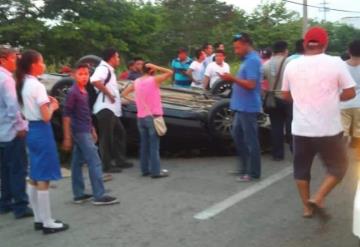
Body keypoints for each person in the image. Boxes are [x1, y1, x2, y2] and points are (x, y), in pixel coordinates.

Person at [282, 27, 356, 219]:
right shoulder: (335, 63)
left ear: (305, 43)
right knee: (339, 167)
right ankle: (318, 196)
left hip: (300, 129)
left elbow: (285, 95)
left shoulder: (292, 65)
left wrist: (302, 100)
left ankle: (307, 208)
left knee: (301, 168)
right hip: (328, 129)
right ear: (326, 43)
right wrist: (333, 98)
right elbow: (350, 92)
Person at [16, 50, 69, 234]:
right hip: (41, 130)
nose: (44, 65)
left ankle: (39, 218)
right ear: (34, 65)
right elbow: (46, 116)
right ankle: (47, 221)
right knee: (43, 177)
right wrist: (53, 106)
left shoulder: (21, 83)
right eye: (42, 61)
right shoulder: (36, 86)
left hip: (31, 128)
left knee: (34, 175)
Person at [62, 63, 119, 205]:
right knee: (95, 161)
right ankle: (99, 195)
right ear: (73, 75)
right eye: (80, 74)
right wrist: (67, 137)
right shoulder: (73, 92)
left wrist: (92, 128)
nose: (84, 77)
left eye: (86, 74)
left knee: (77, 163)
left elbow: (85, 113)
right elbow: (66, 115)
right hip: (79, 131)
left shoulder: (84, 91)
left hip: (85, 129)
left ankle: (79, 194)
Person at [220, 33, 262, 182]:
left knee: (251, 140)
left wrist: (232, 78)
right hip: (240, 107)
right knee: (237, 136)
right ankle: (244, 167)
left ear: (246, 44)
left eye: (238, 48)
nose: (236, 51)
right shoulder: (246, 60)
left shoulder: (253, 61)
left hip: (248, 107)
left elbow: (251, 85)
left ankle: (253, 172)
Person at [122, 63, 173, 178]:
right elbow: (170, 72)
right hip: (153, 117)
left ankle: (145, 170)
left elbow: (124, 94)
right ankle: (156, 171)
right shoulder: (154, 80)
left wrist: (135, 101)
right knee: (154, 146)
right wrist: (158, 67)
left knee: (144, 145)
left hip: (141, 117)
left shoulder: (137, 81)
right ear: (151, 70)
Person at [0, 46, 33, 219]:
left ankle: (5, 202)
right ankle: (20, 206)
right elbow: (13, 106)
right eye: (13, 59)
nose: (16, 62)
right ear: (3, 59)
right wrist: (21, 126)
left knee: (4, 170)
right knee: (18, 169)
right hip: (12, 131)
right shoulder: (6, 80)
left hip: (1, 131)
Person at [91, 47, 133, 173]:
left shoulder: (109, 70)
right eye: (117, 56)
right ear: (112, 57)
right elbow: (94, 80)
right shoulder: (103, 69)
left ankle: (120, 160)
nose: (118, 59)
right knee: (106, 138)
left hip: (111, 109)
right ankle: (106, 165)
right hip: (105, 108)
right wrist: (109, 94)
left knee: (119, 133)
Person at [263, 41, 292, 161]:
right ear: (285, 50)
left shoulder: (266, 64)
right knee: (291, 125)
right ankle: (295, 150)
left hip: (272, 99)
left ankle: (277, 154)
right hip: (288, 97)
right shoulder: (290, 62)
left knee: (276, 126)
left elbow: (262, 80)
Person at [341, 39, 360, 159]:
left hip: (344, 103)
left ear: (348, 51)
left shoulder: (341, 66)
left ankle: (340, 155)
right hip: (359, 104)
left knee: (343, 132)